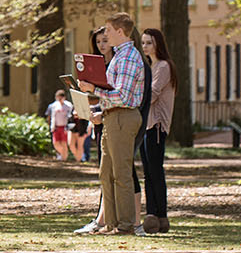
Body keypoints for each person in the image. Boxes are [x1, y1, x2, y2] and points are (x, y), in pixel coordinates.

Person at [79, 12, 147, 236]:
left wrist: (93, 90)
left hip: (123, 117)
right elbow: (111, 94)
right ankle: (111, 223)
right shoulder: (119, 56)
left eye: (108, 30)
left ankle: (126, 225)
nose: (105, 35)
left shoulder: (128, 58)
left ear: (120, 32)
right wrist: (97, 108)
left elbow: (122, 96)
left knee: (121, 172)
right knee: (106, 172)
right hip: (111, 116)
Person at [140, 28, 175, 234]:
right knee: (148, 172)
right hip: (147, 124)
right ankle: (152, 214)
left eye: (149, 43)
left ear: (158, 44)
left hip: (157, 125)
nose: (145, 46)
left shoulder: (163, 66)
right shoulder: (151, 66)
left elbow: (152, 95)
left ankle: (160, 215)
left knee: (155, 171)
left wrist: (133, 99)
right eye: (143, 43)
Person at [46, 91, 74, 161]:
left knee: (64, 143)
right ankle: (63, 154)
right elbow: (49, 116)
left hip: (64, 127)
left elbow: (71, 116)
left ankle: (64, 159)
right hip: (56, 127)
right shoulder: (53, 106)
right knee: (55, 143)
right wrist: (50, 125)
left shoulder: (69, 105)